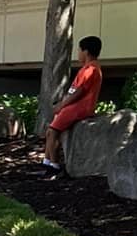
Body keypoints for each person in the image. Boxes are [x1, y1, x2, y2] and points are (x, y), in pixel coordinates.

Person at [40, 36, 103, 172]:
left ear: (86, 52)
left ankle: (53, 165)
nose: (78, 54)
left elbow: (78, 92)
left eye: (79, 50)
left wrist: (62, 105)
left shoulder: (90, 69)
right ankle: (46, 162)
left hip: (79, 108)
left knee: (52, 131)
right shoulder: (88, 68)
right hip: (75, 106)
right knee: (51, 131)